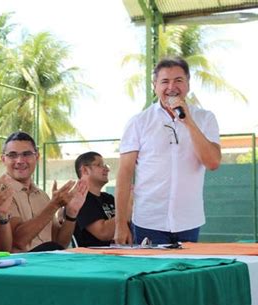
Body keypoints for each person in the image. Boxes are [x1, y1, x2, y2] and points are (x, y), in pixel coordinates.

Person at [115, 56, 221, 245]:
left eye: (178, 80)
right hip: (148, 221)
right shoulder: (139, 122)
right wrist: (120, 224)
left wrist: (188, 122)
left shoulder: (205, 118)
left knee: (186, 274)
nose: (171, 87)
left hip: (189, 221)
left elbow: (213, 162)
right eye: (165, 81)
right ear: (155, 86)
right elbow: (124, 173)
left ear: (188, 84)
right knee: (150, 274)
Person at [1, 131, 88, 252]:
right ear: (3, 159)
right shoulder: (1, 193)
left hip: (47, 263)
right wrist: (54, 205)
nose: (20, 160)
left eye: (26, 154)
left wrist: (71, 214)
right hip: (23, 266)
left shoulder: (42, 195)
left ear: (37, 157)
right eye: (12, 155)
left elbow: (60, 243)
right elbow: (18, 241)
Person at [72, 151, 116, 247]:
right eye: (100, 165)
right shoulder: (80, 200)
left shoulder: (109, 198)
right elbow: (103, 233)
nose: (106, 170)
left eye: (106, 166)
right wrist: (127, 208)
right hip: (94, 257)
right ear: (85, 170)